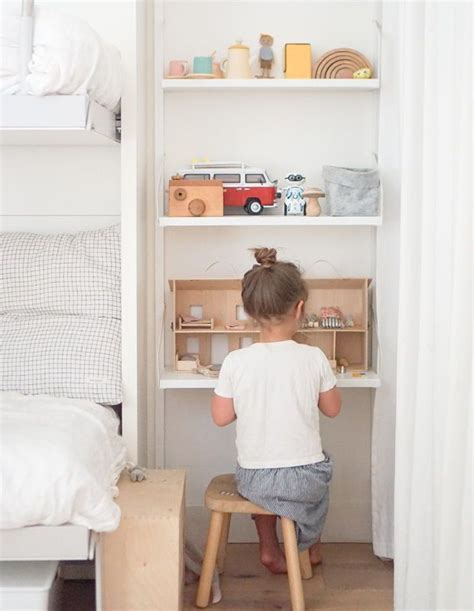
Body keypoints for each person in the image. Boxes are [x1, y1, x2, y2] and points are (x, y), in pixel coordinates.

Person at [211, 247, 341, 574]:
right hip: (305, 480)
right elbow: (333, 409)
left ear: (251, 311)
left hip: (257, 480)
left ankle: (269, 548)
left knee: (263, 481)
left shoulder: (236, 362)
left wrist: (251, 399)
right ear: (299, 308)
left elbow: (221, 417)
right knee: (320, 471)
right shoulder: (314, 357)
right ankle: (309, 547)